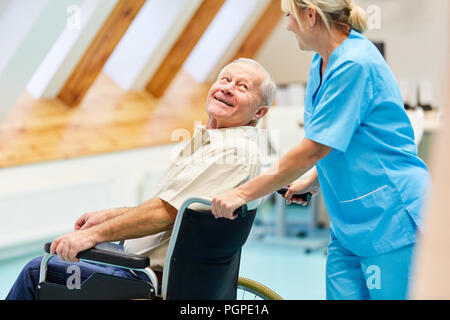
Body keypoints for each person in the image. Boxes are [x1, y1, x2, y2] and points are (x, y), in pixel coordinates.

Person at [211, 0, 431, 300]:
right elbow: (338, 135)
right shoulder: (321, 61)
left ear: (310, 16)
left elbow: (313, 148)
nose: (288, 25)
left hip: (391, 217)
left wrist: (242, 193)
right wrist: (314, 178)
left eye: (289, 16)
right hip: (349, 222)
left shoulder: (355, 63)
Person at [6, 58, 276, 300]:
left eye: (242, 87)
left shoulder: (231, 152)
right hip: (155, 267)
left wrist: (92, 235)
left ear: (259, 112)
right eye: (225, 79)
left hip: (144, 277)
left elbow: (165, 212)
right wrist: (110, 216)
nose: (227, 88)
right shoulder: (217, 143)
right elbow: (175, 207)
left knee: (36, 270)